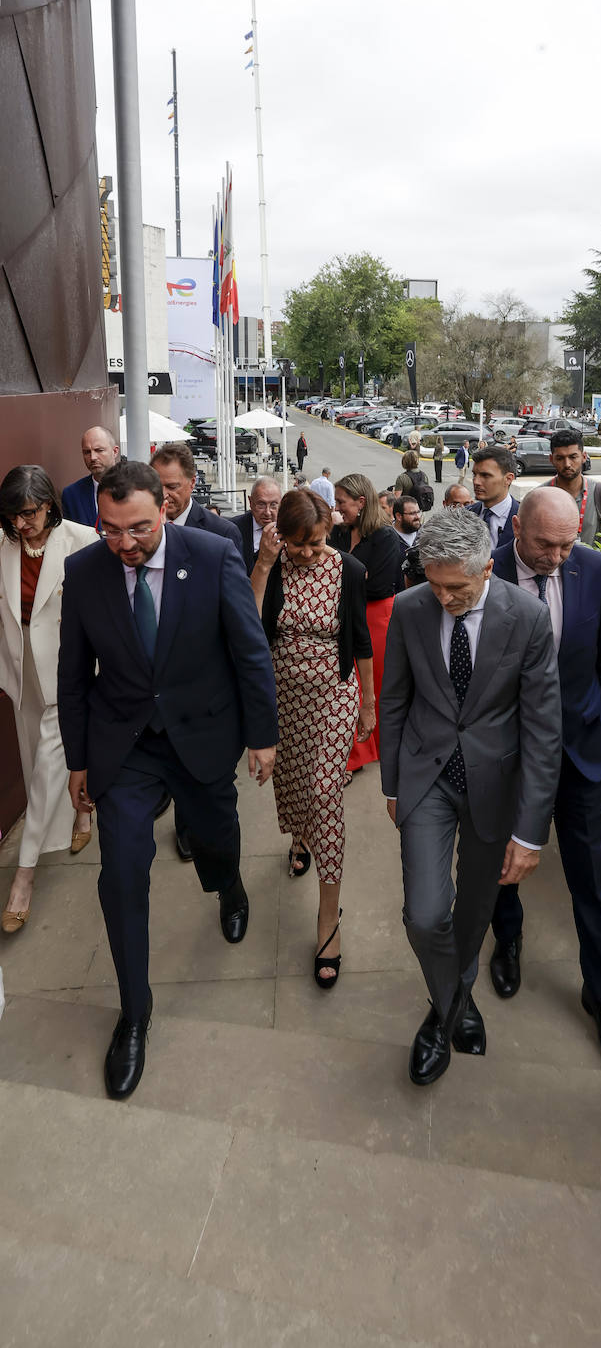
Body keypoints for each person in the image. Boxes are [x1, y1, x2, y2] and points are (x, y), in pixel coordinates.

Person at [58, 461, 277, 1100]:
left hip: (204, 738)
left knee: (215, 840)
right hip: (126, 747)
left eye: (139, 529)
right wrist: (78, 762)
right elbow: (74, 676)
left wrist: (262, 734)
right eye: (110, 530)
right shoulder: (84, 572)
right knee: (121, 871)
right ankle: (134, 1012)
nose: (125, 544)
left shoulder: (212, 555)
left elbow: (249, 648)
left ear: (166, 508)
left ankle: (229, 886)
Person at [380, 509, 562, 1086]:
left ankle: (444, 1013)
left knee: (473, 915)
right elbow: (394, 702)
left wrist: (530, 833)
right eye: (434, 584)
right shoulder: (412, 608)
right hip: (426, 778)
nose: (443, 597)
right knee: (425, 914)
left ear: (487, 567)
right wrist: (391, 782)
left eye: (456, 587)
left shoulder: (529, 617)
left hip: (496, 786)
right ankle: (454, 1003)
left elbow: (542, 729)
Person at [489, 489, 601, 1060]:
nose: (555, 557)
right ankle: (507, 940)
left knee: (592, 876)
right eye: (544, 544)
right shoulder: (485, 566)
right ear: (517, 526)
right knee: (505, 861)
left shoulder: (594, 567)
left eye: (566, 545)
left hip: (580, 753)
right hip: (506, 754)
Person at [252, 489, 374, 987]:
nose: (307, 553)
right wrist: (263, 562)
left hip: (334, 695)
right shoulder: (274, 564)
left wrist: (367, 704)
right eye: (297, 543)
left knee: (325, 793)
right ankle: (299, 836)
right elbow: (249, 621)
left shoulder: (349, 570)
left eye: (316, 542)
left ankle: (328, 916)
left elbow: (361, 638)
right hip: (284, 696)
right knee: (299, 782)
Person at [0, 467, 98, 933]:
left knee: (45, 772)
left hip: (69, 672)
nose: (22, 524)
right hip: (21, 674)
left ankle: (24, 875)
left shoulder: (80, 539)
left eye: (29, 513)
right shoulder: (2, 546)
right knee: (32, 758)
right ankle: (82, 812)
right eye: (13, 516)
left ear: (48, 505)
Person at [330, 474, 401, 777]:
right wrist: (358, 578)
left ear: (361, 502)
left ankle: (380, 746)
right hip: (348, 615)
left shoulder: (386, 537)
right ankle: (356, 755)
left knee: (375, 687)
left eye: (341, 502)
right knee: (352, 686)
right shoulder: (341, 532)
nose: (337, 508)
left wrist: (343, 579)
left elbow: (380, 586)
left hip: (376, 618)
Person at [150, 443, 244, 552]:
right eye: (157, 486)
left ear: (192, 482)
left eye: (172, 487)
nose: (163, 494)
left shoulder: (222, 533)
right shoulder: (141, 528)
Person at [548, 429, 601, 544]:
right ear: (551, 459)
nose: (567, 464)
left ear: (584, 457)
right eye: (560, 458)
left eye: (573, 457)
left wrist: (600, 557)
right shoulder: (540, 496)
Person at [61, 426, 121, 527]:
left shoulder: (135, 488)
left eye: (99, 450)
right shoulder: (71, 495)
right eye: (87, 452)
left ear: (115, 451)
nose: (93, 457)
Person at [467, 444, 520, 548]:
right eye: (474, 475)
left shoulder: (526, 521)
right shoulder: (465, 516)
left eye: (485, 475)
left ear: (508, 479)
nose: (476, 482)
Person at [230, 475, 282, 575]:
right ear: (250, 502)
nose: (267, 512)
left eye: (273, 505)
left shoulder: (290, 530)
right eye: (261, 504)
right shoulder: (233, 529)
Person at [392, 495, 421, 590]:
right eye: (412, 513)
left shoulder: (425, 534)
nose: (417, 517)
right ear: (399, 516)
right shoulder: (387, 539)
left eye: (418, 512)